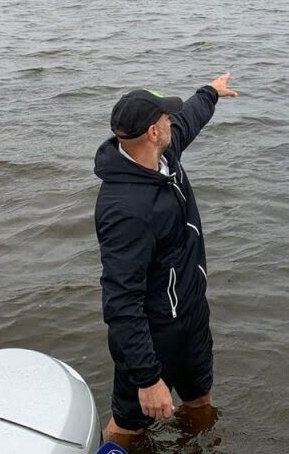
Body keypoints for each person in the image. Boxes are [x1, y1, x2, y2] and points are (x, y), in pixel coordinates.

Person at [94, 73, 238, 442]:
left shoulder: (164, 155)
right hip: (155, 330)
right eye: (165, 119)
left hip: (190, 312)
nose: (172, 122)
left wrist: (210, 93)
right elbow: (121, 300)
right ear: (153, 133)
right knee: (128, 424)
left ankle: (199, 444)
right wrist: (147, 378)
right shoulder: (126, 210)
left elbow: (189, 118)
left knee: (200, 398)